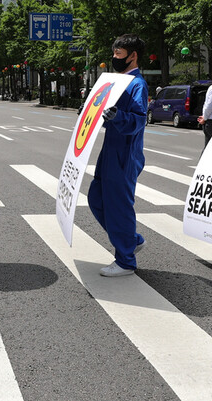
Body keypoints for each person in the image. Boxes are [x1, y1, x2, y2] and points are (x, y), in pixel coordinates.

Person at [87, 34, 149, 277]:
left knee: (118, 206)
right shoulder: (118, 81)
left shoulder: (137, 84)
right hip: (111, 148)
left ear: (133, 56)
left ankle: (126, 260)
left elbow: (138, 120)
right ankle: (131, 240)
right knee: (97, 198)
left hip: (125, 152)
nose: (114, 58)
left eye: (119, 54)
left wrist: (117, 116)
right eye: (114, 53)